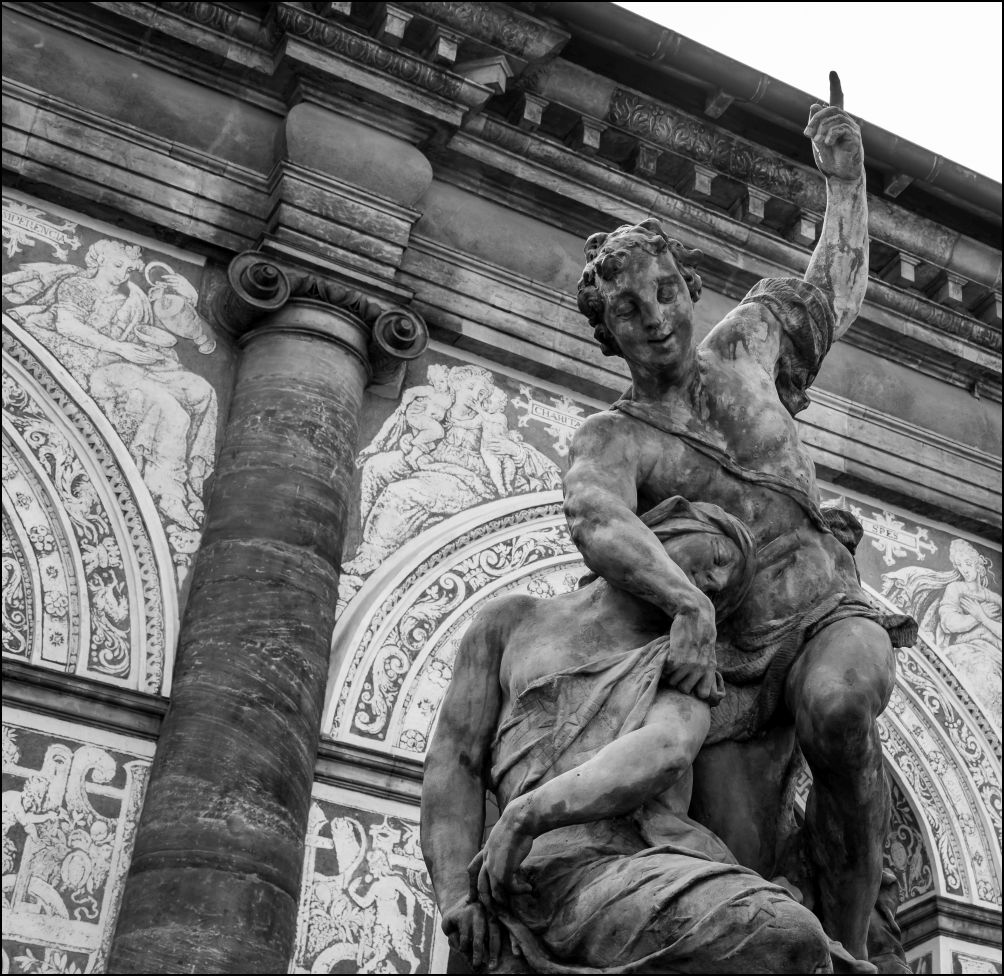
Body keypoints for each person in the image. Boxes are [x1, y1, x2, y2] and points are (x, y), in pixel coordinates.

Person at [554, 78, 897, 963]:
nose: (656, 318)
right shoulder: (615, 437)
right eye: (629, 310)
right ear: (607, 333)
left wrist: (845, 184)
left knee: (837, 706)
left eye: (667, 291)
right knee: (737, 877)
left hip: (824, 605)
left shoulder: (749, 343)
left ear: (690, 286)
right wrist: (685, 603)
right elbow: (596, 518)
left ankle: (854, 949)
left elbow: (834, 290)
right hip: (730, 665)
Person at [422, 497, 870, 974]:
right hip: (531, 869)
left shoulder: (685, 668)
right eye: (720, 556)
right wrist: (456, 897)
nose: (715, 582)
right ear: (664, 528)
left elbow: (666, 749)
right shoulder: (509, 622)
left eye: (725, 588)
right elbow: (454, 762)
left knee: (790, 934)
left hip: (629, 862)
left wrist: (529, 813)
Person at [3, 239, 217, 530]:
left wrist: (187, 297)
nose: (123, 274)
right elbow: (67, 325)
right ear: (98, 260)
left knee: (202, 391)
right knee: (173, 413)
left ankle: (192, 480)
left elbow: (168, 327)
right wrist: (120, 347)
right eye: (117, 265)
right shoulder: (79, 286)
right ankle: (167, 491)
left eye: (128, 269)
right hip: (93, 364)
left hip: (128, 363)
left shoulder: (134, 298)